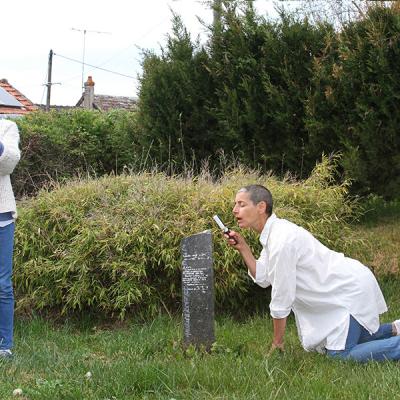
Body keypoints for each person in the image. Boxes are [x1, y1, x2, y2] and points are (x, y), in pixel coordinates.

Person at [224, 184, 400, 362]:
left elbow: (281, 296)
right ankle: (395, 329)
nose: (234, 210)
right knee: (338, 344)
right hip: (344, 285)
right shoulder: (275, 233)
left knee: (340, 354)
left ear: (261, 207)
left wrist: (277, 342)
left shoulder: (281, 240)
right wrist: (244, 248)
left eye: (241, 204)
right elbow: (263, 277)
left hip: (348, 289)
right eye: (235, 204)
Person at [0, 119, 21, 359]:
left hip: (2, 216)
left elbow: (7, 163)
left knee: (2, 284)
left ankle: (4, 345)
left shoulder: (7, 127)